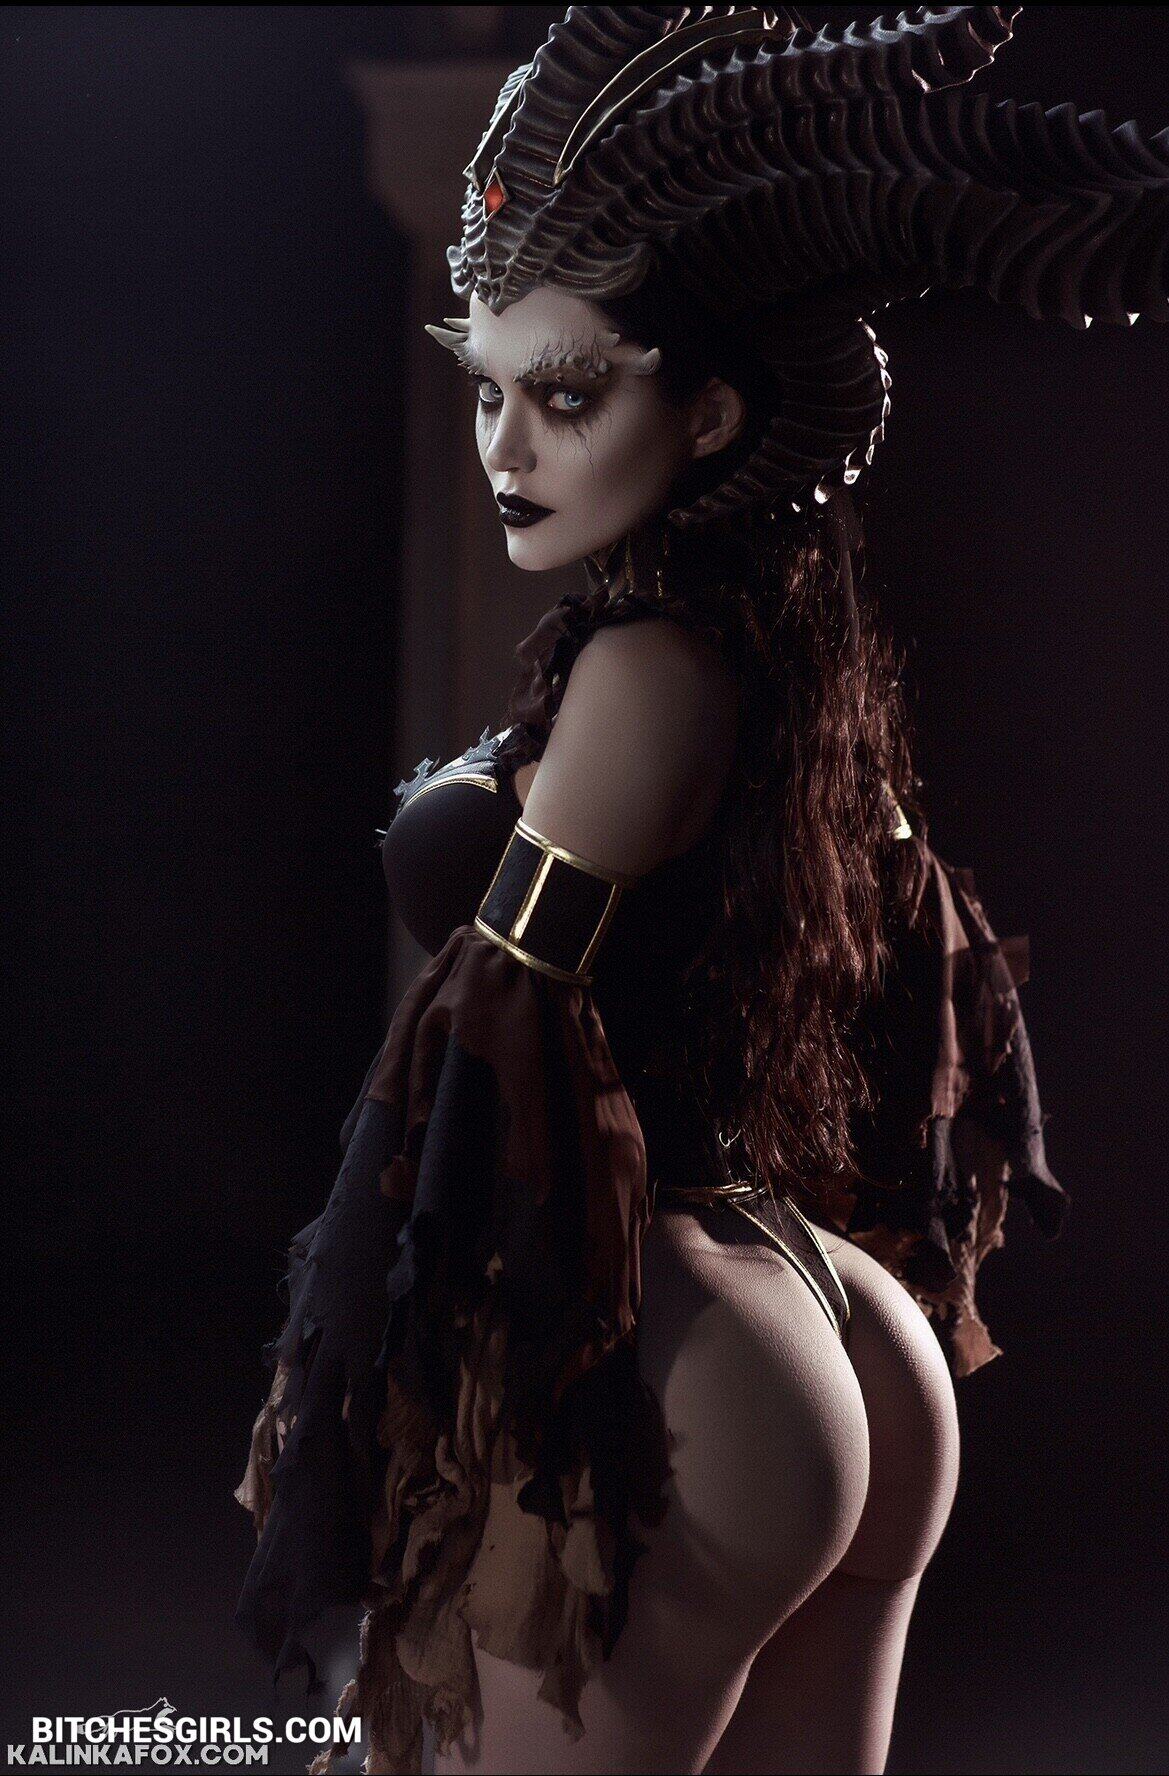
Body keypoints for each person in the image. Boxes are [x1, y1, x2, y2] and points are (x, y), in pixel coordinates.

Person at [234, 7, 1167, 1771]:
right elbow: (913, 983)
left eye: (566, 394)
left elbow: (483, 1079)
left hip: (680, 1349)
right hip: (823, 1326)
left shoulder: (647, 664)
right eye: (489, 390)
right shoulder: (781, 663)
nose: (508, 448)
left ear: (716, 407)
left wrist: (365, 1413)